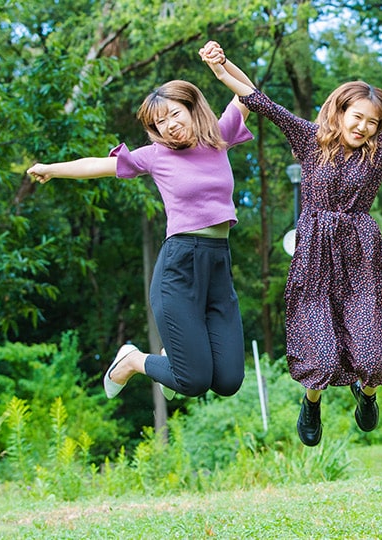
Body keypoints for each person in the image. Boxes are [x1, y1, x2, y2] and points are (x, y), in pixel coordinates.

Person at [201, 41, 382, 446]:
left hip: (361, 256)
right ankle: (312, 401)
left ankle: (367, 393)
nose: (363, 127)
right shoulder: (309, 140)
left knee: (372, 356)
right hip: (314, 256)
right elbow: (258, 100)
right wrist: (221, 69)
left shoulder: (380, 151)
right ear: (340, 112)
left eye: (372, 122)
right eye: (357, 117)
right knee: (320, 353)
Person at [27, 59, 255, 402]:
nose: (169, 126)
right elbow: (97, 166)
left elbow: (250, 94)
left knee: (227, 381)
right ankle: (132, 360)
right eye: (159, 123)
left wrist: (223, 66)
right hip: (180, 265)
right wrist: (52, 169)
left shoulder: (219, 136)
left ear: (191, 108)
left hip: (218, 264)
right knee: (192, 381)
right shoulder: (156, 156)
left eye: (174, 114)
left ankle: (171, 360)